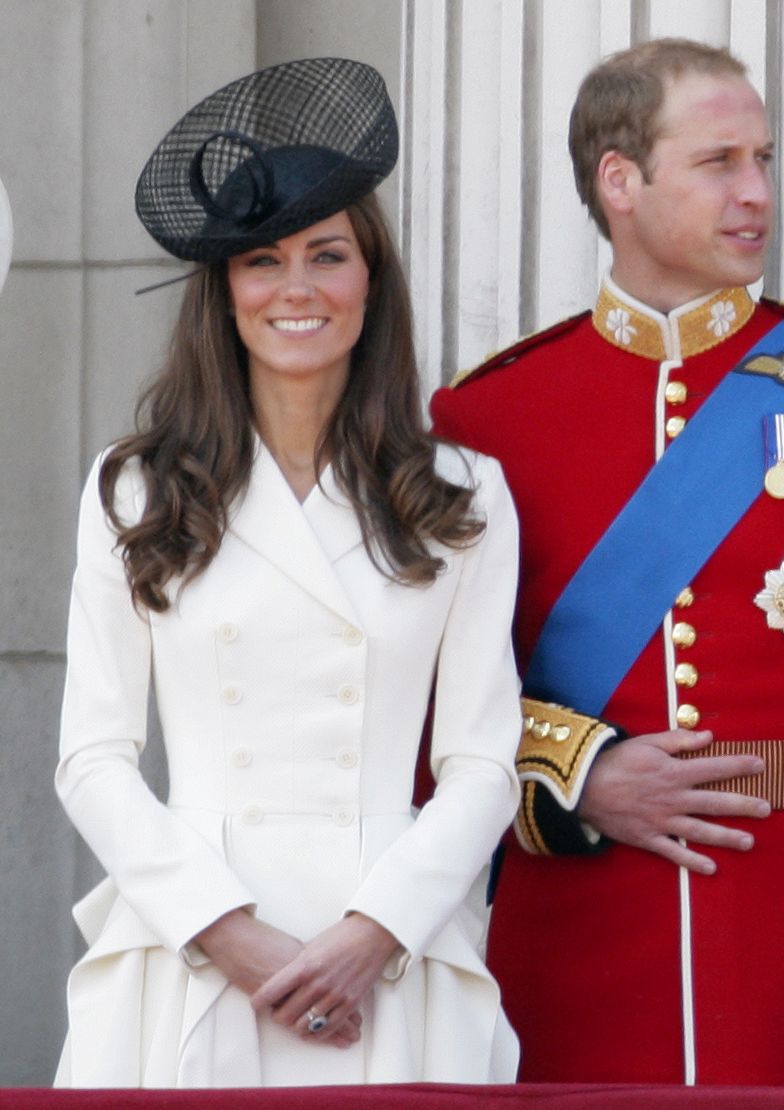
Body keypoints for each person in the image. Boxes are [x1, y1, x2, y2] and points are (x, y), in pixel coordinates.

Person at [431, 38, 784, 1088]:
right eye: (718, 162)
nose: (757, 194)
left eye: (765, 160)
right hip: (569, 955)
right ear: (620, 182)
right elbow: (434, 706)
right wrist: (579, 776)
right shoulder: (488, 417)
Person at [55, 57, 521, 1088]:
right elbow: (92, 755)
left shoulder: (462, 495)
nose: (296, 289)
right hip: (189, 948)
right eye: (263, 261)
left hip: (394, 954)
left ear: (372, 279)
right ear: (225, 293)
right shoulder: (135, 491)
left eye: (328, 254)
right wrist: (226, 934)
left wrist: (373, 934)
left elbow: (485, 760)